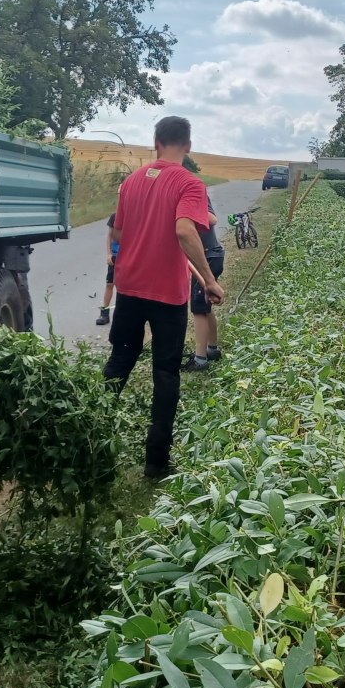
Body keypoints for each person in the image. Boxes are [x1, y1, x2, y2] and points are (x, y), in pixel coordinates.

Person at [102, 116, 223, 479]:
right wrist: (210, 280)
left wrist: (141, 241)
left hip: (129, 287)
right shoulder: (190, 183)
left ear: (155, 143)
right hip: (167, 296)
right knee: (165, 373)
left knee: (119, 362)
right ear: (188, 146)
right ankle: (155, 462)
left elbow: (118, 233)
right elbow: (185, 230)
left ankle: (93, 437)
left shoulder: (131, 182)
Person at [183, 196, 225, 371]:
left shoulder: (195, 195)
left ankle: (200, 360)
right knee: (205, 306)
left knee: (199, 309)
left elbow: (212, 219)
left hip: (210, 256)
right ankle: (212, 350)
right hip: (203, 257)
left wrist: (184, 214)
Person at [95, 212, 118, 325]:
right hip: (115, 255)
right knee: (109, 284)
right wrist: (109, 254)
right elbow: (110, 235)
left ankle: (121, 314)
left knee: (123, 287)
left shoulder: (135, 215)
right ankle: (104, 313)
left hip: (128, 257)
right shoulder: (115, 216)